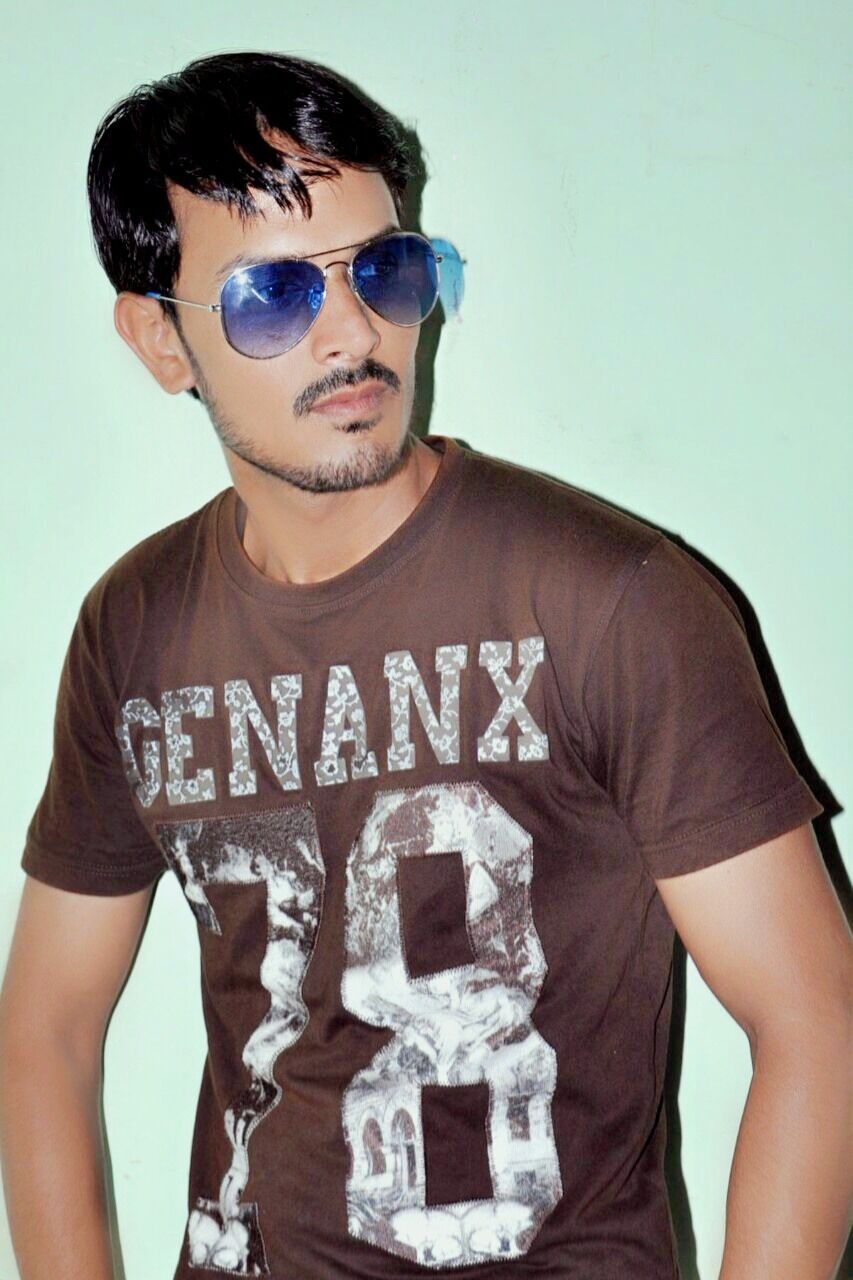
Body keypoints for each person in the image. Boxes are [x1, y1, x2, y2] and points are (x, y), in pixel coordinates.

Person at [0, 49, 848, 1280]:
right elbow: (47, 1029)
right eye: (273, 295)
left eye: (384, 269)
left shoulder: (609, 601)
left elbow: (814, 1018)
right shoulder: (134, 627)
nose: (353, 331)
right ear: (160, 340)